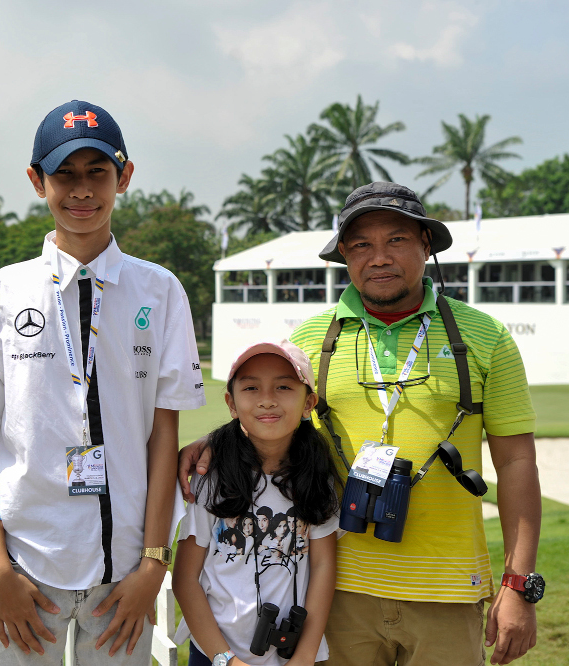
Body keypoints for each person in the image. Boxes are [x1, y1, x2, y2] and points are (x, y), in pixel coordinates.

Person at [180, 182, 543, 666]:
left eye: (396, 240)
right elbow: (271, 411)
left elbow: (517, 461)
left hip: (447, 589)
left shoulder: (485, 336)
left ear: (426, 244)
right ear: (345, 256)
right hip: (335, 592)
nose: (379, 258)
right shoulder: (311, 337)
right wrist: (213, 440)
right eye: (361, 245)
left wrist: (519, 585)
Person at [0, 100, 206, 665]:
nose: (82, 190)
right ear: (37, 181)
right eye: (64, 175)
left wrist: (154, 564)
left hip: (123, 575)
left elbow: (163, 436)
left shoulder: (161, 290)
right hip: (25, 570)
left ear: (123, 177)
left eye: (97, 173)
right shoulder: (3, 292)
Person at [172, 340, 342, 666]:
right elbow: (185, 578)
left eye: (283, 387)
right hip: (215, 653)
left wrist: (306, 654)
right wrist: (225, 659)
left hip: (293, 656)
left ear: (309, 402)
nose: (266, 400)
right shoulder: (212, 478)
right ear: (231, 403)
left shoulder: (317, 478)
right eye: (251, 387)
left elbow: (322, 567)